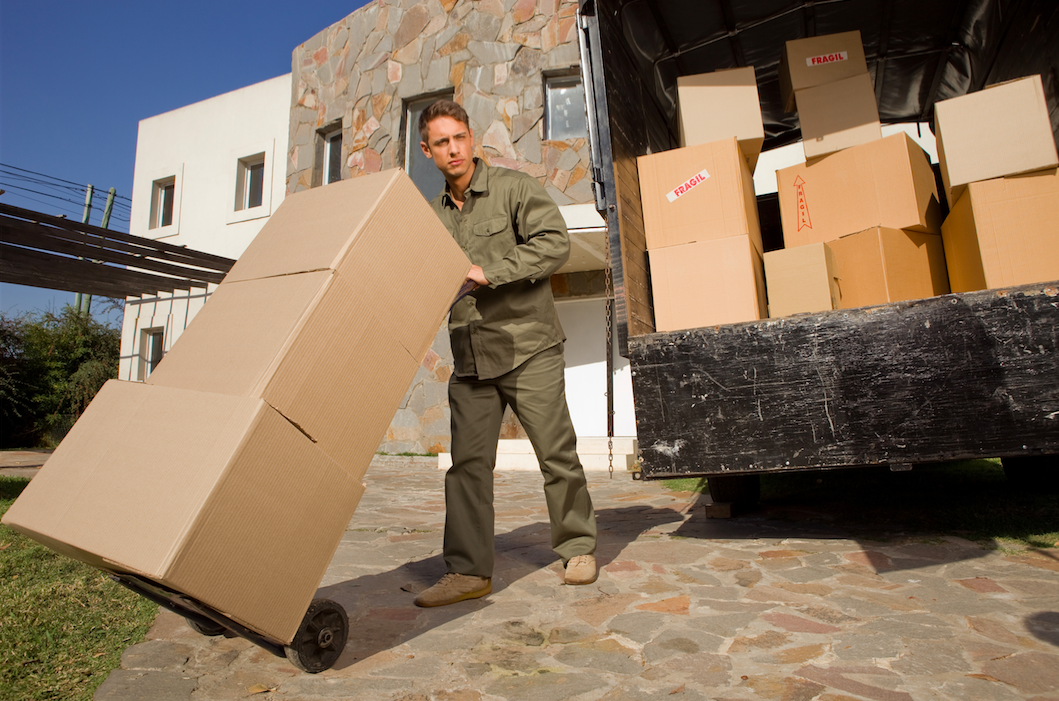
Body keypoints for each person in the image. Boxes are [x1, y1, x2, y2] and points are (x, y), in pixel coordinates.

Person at [413, 99, 598, 608]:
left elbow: (554, 244)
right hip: (471, 357)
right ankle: (469, 572)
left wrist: (487, 271)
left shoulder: (515, 189)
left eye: (459, 138)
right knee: (467, 467)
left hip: (527, 346)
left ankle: (577, 547)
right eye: (441, 142)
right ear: (427, 151)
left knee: (556, 452)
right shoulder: (429, 218)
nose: (453, 149)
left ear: (471, 139)